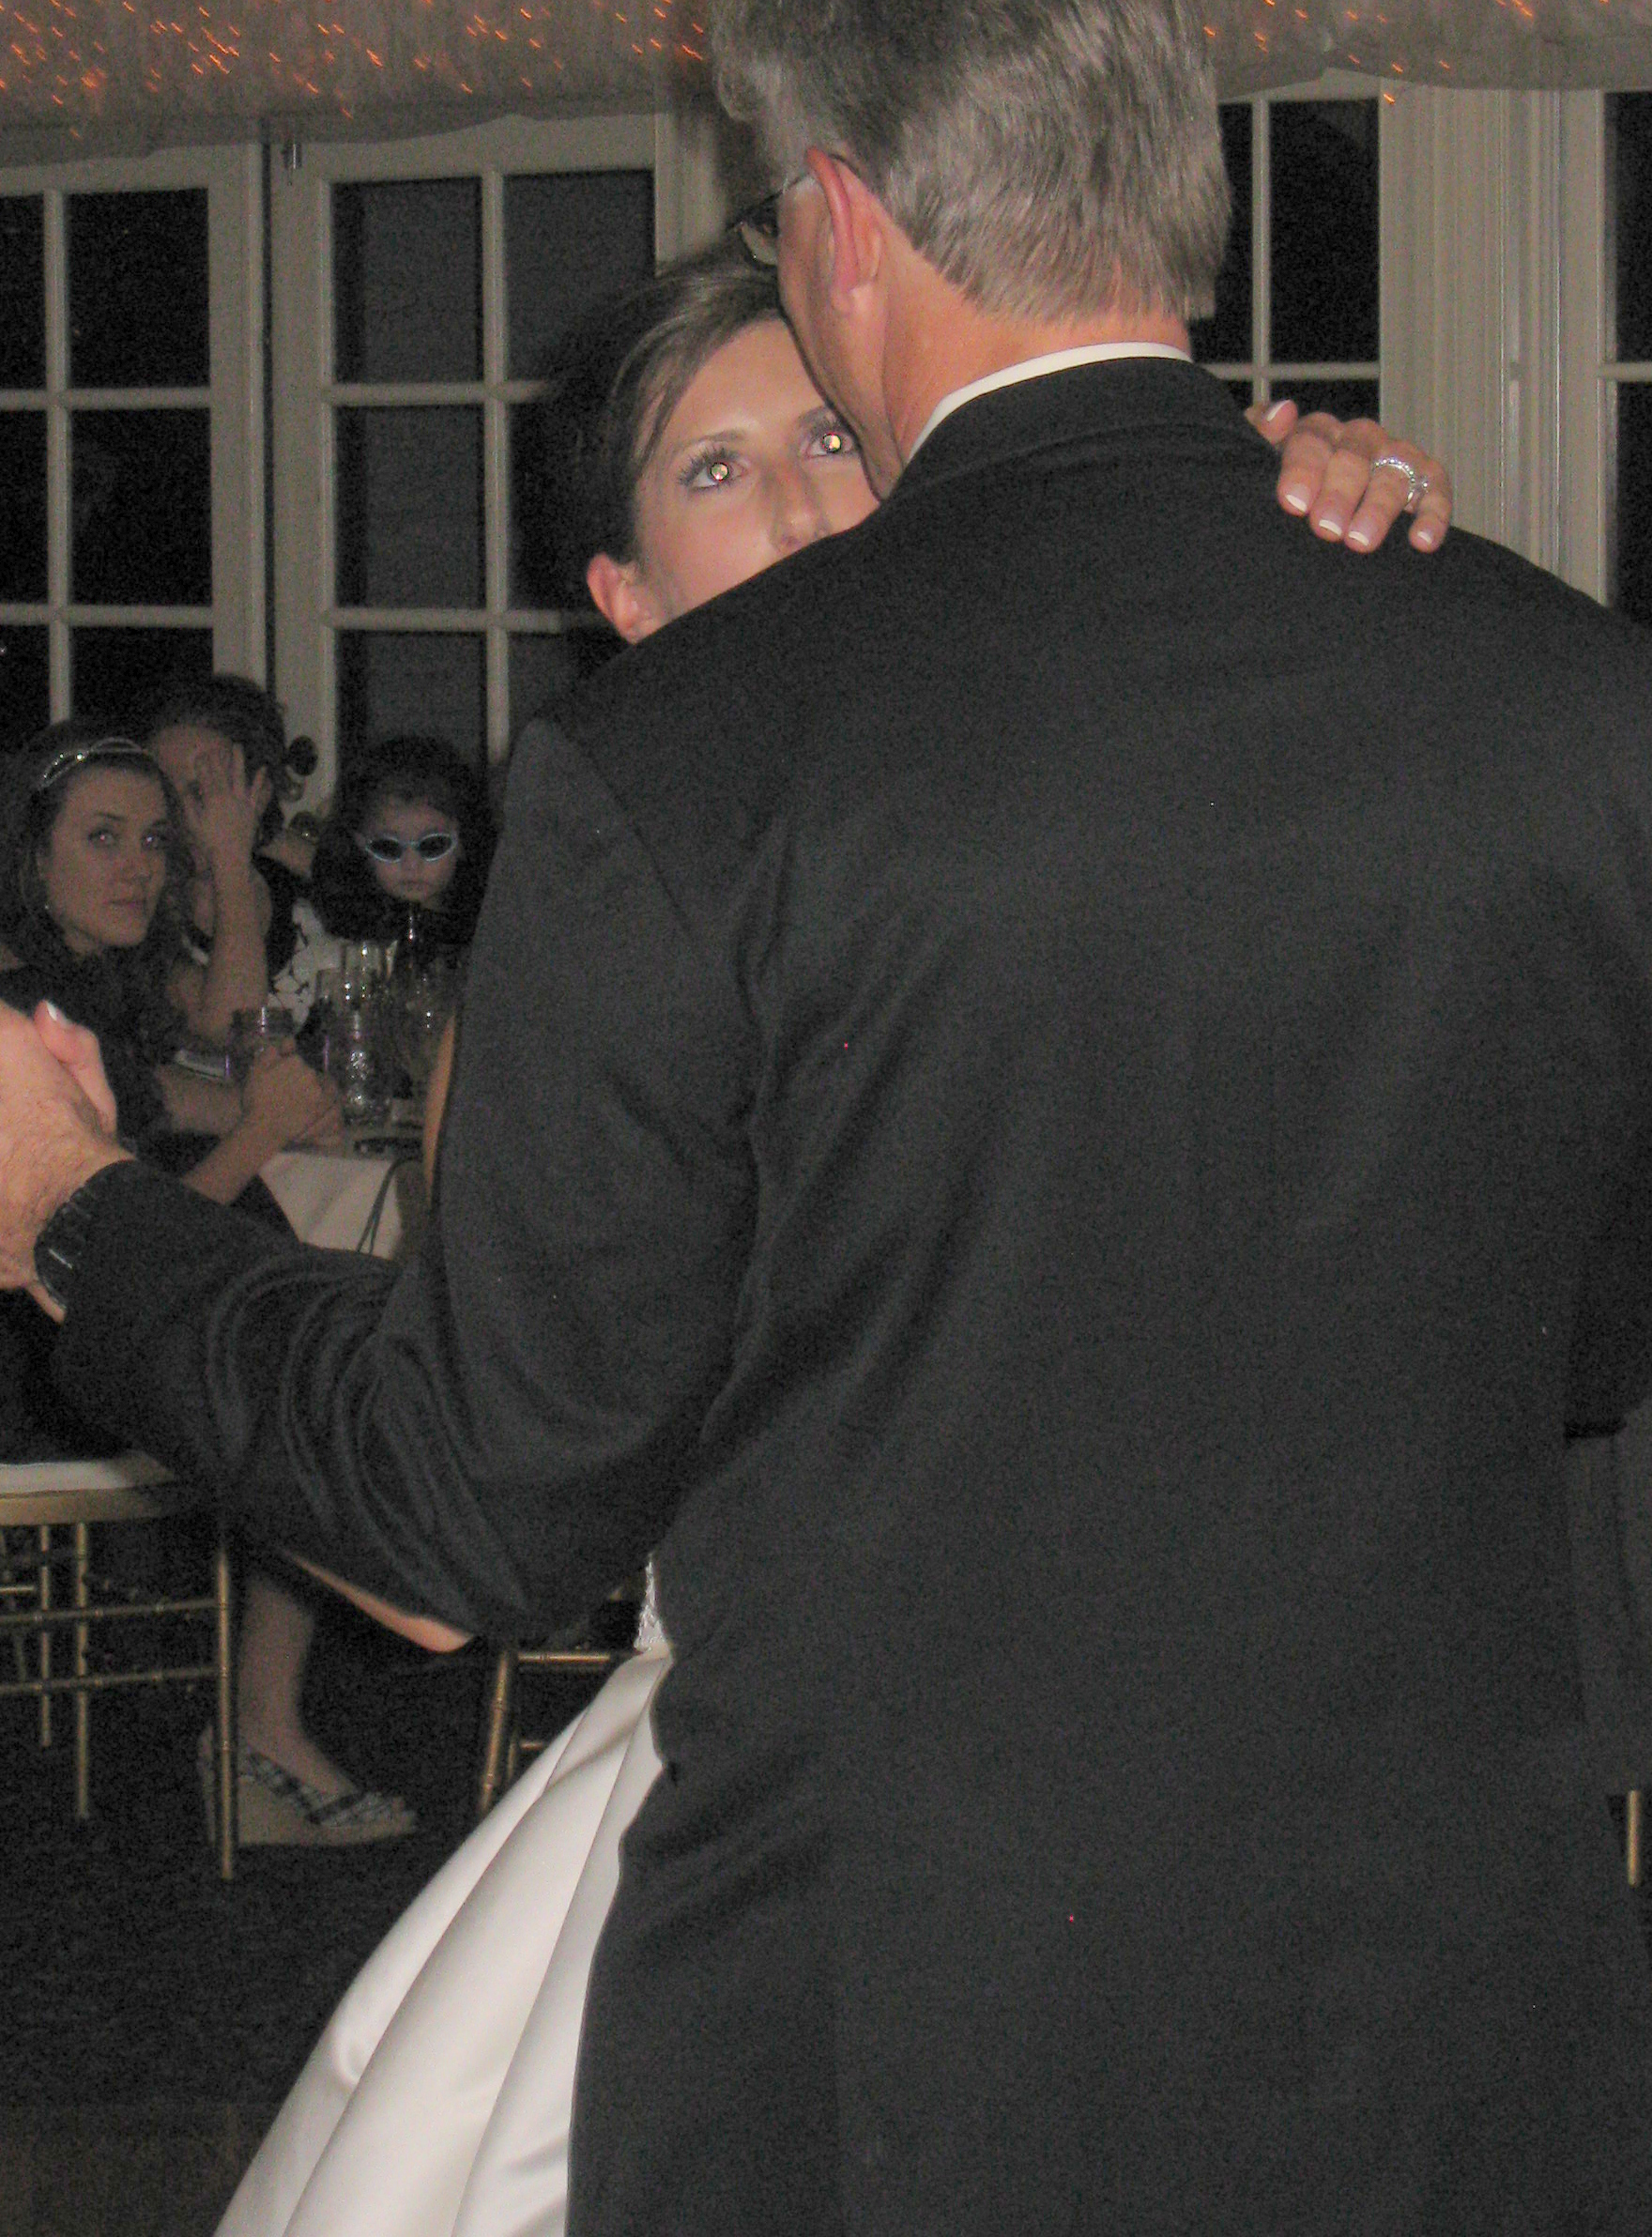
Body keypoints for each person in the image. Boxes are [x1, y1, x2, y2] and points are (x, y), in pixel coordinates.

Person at [0, 0, 1652, 2233]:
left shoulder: (689, 762)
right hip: (1458, 2027)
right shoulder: (1572, 696)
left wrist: (73, 1216)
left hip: (907, 2054)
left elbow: (478, 1506)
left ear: (840, 216)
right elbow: (1587, 1332)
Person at [212, 244, 1459, 2237]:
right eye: (714, 471)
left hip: (1247, 1806)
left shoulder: (1102, 800)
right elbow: (489, 1504)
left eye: (828, 437)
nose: (800, 502)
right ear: (622, 600)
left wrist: (1309, 538)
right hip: (807, 1830)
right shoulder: (600, 960)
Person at [0, 725, 414, 1844]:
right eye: (103, 838)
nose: (138, 865)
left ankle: (264, 1726)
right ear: (33, 855)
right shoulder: (19, 1000)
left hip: (48, 1337)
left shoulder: (69, 976)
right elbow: (104, 1250)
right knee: (306, 1386)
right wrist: (260, 1129)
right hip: (23, 1371)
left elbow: (177, 1092)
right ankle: (261, 1736)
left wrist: (259, 1109)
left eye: (151, 840)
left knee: (299, 1333)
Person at [141, 674, 316, 1049]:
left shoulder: (305, 891)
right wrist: (230, 858)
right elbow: (233, 1025)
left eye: (203, 792)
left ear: (261, 791)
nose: (179, 817)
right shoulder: (139, 907)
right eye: (165, 794)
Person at [307, 735, 493, 959]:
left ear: (463, 840)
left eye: (433, 845)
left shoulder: (489, 928)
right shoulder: (345, 937)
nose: (411, 866)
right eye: (389, 848)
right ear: (359, 844)